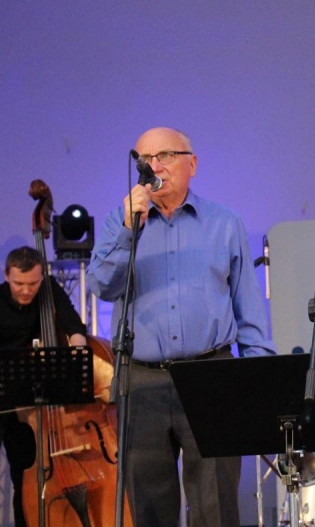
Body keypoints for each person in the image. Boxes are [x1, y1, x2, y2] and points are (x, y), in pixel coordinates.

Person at [87, 127, 274, 527]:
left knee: (216, 508)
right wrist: (128, 230)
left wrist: (257, 380)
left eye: (166, 156)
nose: (154, 167)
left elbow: (249, 308)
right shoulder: (120, 221)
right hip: (141, 381)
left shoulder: (225, 223)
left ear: (193, 164)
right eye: (144, 160)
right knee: (148, 509)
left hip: (212, 375)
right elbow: (102, 285)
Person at [0, 246, 89, 527]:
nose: (26, 290)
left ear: (42, 277)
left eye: (33, 283)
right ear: (6, 275)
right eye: (19, 284)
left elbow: (75, 327)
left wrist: (78, 351)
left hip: (43, 401)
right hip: (6, 399)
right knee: (21, 472)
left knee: (26, 471)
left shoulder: (50, 289)